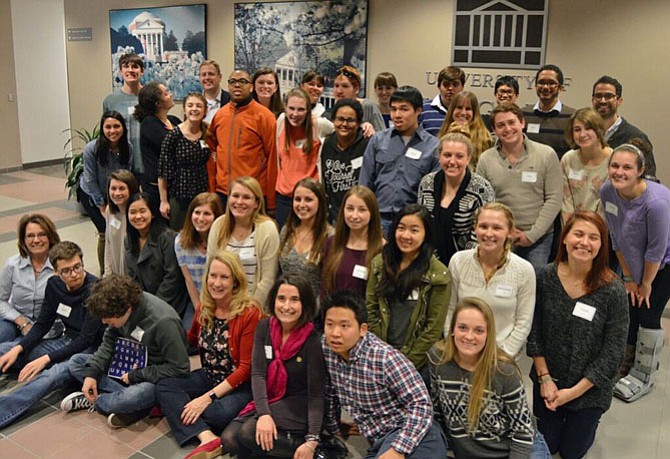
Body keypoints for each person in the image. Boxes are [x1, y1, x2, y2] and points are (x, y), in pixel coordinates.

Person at [527, 211, 628, 457]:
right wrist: (545, 379)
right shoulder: (544, 278)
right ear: (564, 238)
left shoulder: (613, 291)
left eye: (593, 237)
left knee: (573, 452)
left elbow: (613, 353)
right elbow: (535, 333)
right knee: (547, 446)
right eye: (578, 234)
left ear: (602, 245)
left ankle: (587, 422)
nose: (584, 242)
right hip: (548, 384)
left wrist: (572, 394)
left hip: (589, 392)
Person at [156, 251, 264, 459]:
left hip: (241, 386)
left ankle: (186, 417)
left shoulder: (250, 313)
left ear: (235, 282)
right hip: (210, 376)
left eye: (224, 277)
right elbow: (191, 342)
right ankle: (207, 437)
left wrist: (207, 398)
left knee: (215, 412)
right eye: (212, 276)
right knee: (165, 385)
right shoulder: (205, 307)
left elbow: (245, 368)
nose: (216, 282)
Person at [322, 291, 448, 458]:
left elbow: (421, 404)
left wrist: (398, 449)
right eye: (330, 324)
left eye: (344, 326)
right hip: (379, 441)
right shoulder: (326, 348)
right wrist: (335, 430)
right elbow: (329, 391)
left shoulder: (383, 357)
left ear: (362, 329)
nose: (335, 333)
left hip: (415, 433)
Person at [62, 274, 190, 428]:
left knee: (136, 395)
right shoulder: (120, 309)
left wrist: (138, 375)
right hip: (127, 365)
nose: (104, 322)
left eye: (108, 318)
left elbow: (180, 368)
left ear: (127, 309)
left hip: (152, 378)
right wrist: (92, 372)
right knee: (76, 362)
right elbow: (109, 341)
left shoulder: (163, 322)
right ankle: (131, 407)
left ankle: (99, 401)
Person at [0, 242, 104, 428]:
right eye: (66, 271)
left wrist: (46, 359)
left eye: (77, 267)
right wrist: (20, 347)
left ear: (82, 262)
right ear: (56, 272)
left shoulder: (96, 289)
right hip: (66, 341)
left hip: (89, 351)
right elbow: (42, 325)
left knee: (49, 376)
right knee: (6, 350)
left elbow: (86, 339)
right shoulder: (54, 285)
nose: (74, 274)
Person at [430, 297, 548, 459]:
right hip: (469, 451)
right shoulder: (438, 359)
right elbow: (436, 411)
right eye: (463, 328)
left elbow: (522, 431)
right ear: (452, 329)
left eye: (478, 330)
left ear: (488, 335)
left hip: (515, 446)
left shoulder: (504, 371)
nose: (469, 337)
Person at [221, 275, 325, 458]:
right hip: (272, 397)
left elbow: (316, 394)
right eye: (281, 298)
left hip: (298, 404)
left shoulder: (312, 340)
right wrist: (264, 414)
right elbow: (258, 374)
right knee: (229, 439)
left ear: (305, 304)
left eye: (295, 300)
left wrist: (313, 439)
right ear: (273, 300)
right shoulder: (264, 328)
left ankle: (318, 452)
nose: (286, 306)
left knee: (248, 433)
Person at [600, 144, 670, 402]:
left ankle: (645, 374)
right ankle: (627, 364)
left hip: (663, 264)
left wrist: (646, 284)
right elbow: (616, 236)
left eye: (627, 167)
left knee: (649, 313)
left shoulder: (657, 202)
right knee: (629, 308)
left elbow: (657, 250)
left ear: (641, 170)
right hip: (632, 258)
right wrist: (629, 278)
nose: (619, 172)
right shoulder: (608, 191)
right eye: (615, 166)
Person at [366, 204, 450, 376]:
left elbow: (433, 328)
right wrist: (383, 355)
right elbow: (371, 309)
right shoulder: (379, 264)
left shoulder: (439, 274)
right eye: (401, 228)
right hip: (380, 357)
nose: (406, 235)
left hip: (419, 364)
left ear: (426, 234)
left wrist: (405, 364)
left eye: (414, 230)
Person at [477, 103, 562, 270]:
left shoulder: (546, 154)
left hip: (538, 239)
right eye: (501, 125)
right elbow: (481, 201)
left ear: (522, 123)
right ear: (494, 129)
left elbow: (554, 198)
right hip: (498, 237)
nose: (507, 129)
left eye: (511, 122)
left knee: (534, 286)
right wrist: (501, 232)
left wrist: (532, 235)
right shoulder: (485, 159)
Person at [446, 203, 536, 358]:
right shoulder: (458, 261)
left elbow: (523, 323)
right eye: (483, 226)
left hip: (502, 357)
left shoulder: (524, 270)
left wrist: (503, 356)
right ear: (475, 228)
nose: (489, 233)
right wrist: (455, 348)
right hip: (462, 353)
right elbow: (449, 310)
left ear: (510, 232)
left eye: (497, 228)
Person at [360, 86, 440, 234]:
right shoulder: (378, 140)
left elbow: (432, 195)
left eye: (404, 109)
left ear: (418, 111)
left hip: (412, 223)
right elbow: (365, 184)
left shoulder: (433, 147)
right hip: (378, 220)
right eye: (393, 109)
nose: (397, 115)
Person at [417, 132, 494, 265]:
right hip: (429, 260)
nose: (452, 161)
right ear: (439, 157)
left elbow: (483, 234)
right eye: (447, 155)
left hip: (469, 262)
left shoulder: (481, 188)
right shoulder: (426, 183)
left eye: (459, 156)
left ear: (468, 158)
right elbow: (421, 223)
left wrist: (460, 264)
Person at [209, 70, 277, 211]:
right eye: (232, 82)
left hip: (252, 192)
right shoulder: (220, 115)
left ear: (251, 87)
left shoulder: (265, 117)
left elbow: (273, 158)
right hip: (223, 192)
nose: (237, 85)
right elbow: (212, 151)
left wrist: (271, 201)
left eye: (242, 81)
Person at [207, 176, 280, 307]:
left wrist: (248, 312)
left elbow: (268, 280)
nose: (239, 202)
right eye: (235, 196)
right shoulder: (218, 225)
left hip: (253, 308)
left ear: (257, 203)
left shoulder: (267, 229)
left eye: (246, 197)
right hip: (220, 305)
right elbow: (209, 271)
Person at [78, 110, 133, 273]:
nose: (112, 131)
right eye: (108, 127)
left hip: (115, 195)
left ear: (123, 128)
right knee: (104, 231)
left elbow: (127, 174)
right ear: (102, 129)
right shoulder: (91, 149)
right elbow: (89, 179)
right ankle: (105, 273)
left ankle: (120, 266)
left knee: (118, 229)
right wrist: (101, 205)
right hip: (92, 194)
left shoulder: (127, 148)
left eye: (116, 126)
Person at [275, 88, 333, 227]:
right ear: (285, 107)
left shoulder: (318, 124)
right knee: (285, 242)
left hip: (310, 197)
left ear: (308, 110)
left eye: (301, 109)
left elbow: (343, 130)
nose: (295, 114)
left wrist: (365, 126)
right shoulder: (281, 121)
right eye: (291, 108)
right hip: (284, 198)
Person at [125, 192, 188, 316]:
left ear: (153, 213)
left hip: (170, 302)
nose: (138, 216)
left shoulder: (168, 238)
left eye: (142, 211)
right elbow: (131, 276)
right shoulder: (128, 241)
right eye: (132, 212)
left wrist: (154, 306)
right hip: (143, 303)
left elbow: (172, 277)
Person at [0, 214, 60, 345]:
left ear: (50, 237)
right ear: (23, 240)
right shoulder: (12, 265)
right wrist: (21, 321)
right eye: (30, 236)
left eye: (42, 234)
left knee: (14, 350)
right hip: (15, 319)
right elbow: (1, 300)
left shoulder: (61, 265)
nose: (36, 240)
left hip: (47, 326)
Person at [158, 92, 211, 230]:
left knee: (201, 232)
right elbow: (163, 171)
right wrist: (163, 201)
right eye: (190, 105)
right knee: (179, 235)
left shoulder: (208, 133)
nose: (194, 109)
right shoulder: (174, 135)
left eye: (199, 106)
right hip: (179, 195)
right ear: (185, 110)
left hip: (202, 195)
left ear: (205, 110)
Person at [322, 186, 384, 300]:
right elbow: (325, 288)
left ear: (372, 213)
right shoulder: (332, 243)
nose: (354, 216)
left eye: (362, 210)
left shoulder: (382, 249)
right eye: (350, 208)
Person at [278, 178, 333, 302]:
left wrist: (311, 312)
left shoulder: (330, 237)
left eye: (308, 200)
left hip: (314, 312)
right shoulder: (286, 231)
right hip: (286, 307)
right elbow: (279, 274)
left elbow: (328, 286)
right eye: (297, 199)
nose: (302, 205)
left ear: (320, 202)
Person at [591, 75, 656, 178]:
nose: (602, 101)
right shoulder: (585, 136)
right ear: (592, 100)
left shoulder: (636, 137)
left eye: (608, 96)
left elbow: (649, 178)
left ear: (619, 100)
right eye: (598, 96)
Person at [133, 82, 181, 217]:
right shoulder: (149, 123)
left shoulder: (174, 120)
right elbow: (175, 147)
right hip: (157, 189)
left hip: (176, 185)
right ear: (157, 103)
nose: (171, 94)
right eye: (166, 93)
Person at [320, 98, 370, 223]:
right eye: (340, 119)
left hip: (360, 215)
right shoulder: (325, 145)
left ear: (358, 123)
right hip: (333, 216)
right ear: (333, 120)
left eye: (350, 120)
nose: (344, 124)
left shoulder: (368, 145)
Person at [561, 107, 611, 223]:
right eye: (577, 129)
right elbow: (565, 200)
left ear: (598, 130)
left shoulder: (613, 161)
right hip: (572, 227)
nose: (582, 134)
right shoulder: (568, 159)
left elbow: (607, 204)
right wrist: (572, 228)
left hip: (600, 228)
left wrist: (591, 229)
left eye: (588, 128)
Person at [176, 192, 224, 311]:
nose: (200, 218)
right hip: (198, 301)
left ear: (216, 217)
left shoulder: (224, 240)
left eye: (207, 214)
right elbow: (189, 281)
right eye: (197, 212)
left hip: (223, 303)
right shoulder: (180, 242)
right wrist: (199, 311)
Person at [521, 64, 576, 159]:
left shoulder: (572, 116)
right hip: (527, 172)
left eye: (551, 83)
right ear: (535, 86)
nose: (545, 87)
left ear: (560, 88)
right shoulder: (523, 114)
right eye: (541, 82)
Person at [102, 53, 144, 177]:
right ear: (121, 71)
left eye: (135, 66)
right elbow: (106, 132)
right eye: (126, 66)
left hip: (144, 160)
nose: (130, 70)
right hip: (120, 162)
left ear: (142, 71)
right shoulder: (110, 100)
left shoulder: (149, 97)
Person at [437, 91, 493, 168]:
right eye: (459, 107)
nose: (463, 113)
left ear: (474, 112)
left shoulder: (485, 139)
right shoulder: (443, 134)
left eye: (468, 109)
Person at [104, 169, 140, 277]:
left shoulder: (137, 215)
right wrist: (107, 273)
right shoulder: (109, 211)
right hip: (116, 276)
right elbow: (108, 243)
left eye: (122, 188)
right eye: (113, 188)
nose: (117, 193)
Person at [328, 65, 385, 132]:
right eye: (336, 86)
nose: (339, 91)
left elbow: (383, 137)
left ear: (356, 88)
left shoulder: (368, 107)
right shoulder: (330, 112)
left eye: (345, 86)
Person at [421, 65, 465, 136]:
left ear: (462, 87)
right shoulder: (424, 109)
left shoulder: (468, 112)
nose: (450, 88)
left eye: (455, 84)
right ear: (439, 86)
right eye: (446, 84)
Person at [199, 59, 230, 123]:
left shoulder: (231, 100)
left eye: (211, 74)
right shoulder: (194, 103)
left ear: (220, 77)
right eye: (203, 75)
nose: (207, 78)